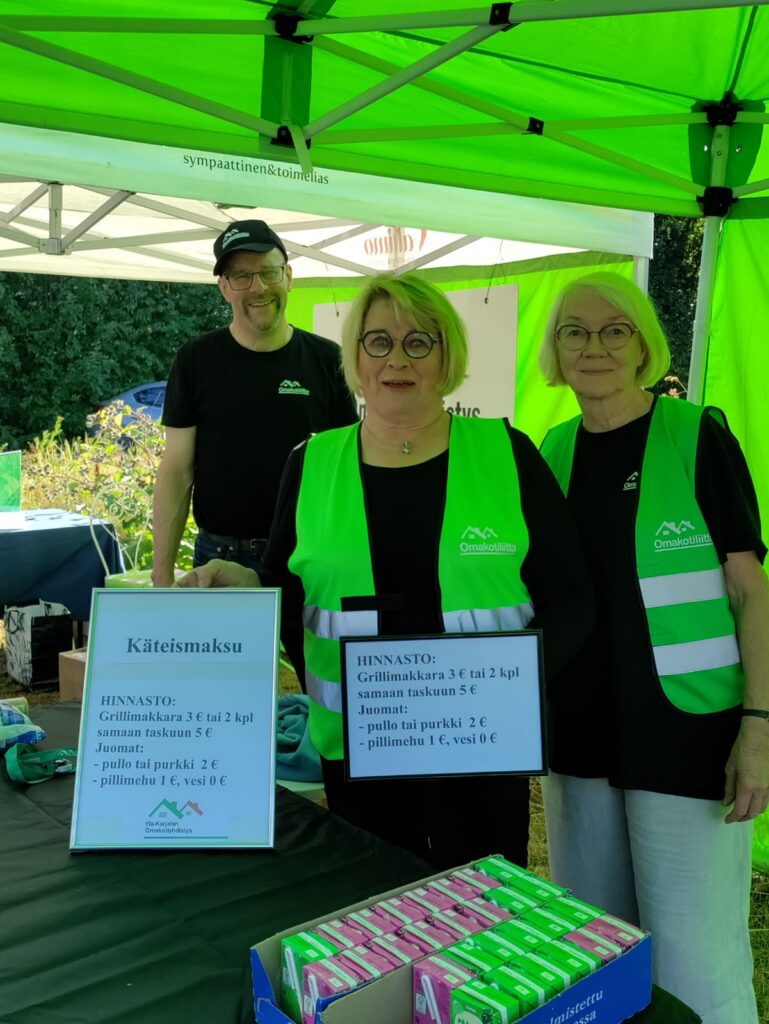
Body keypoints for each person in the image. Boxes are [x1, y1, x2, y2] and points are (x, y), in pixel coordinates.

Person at [179, 272, 593, 871]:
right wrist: (247, 586)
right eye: (379, 341)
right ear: (356, 356)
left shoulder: (507, 452)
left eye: (418, 341)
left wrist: (510, 688)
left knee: (479, 911)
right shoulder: (311, 462)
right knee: (374, 908)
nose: (397, 358)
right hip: (358, 753)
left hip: (480, 751)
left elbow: (571, 596)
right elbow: (290, 596)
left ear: (447, 355)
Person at [537, 270, 769, 1024]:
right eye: (574, 331)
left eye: (615, 330)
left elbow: (751, 592)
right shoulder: (552, 450)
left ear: (643, 345)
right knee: (592, 945)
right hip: (580, 738)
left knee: (693, 957)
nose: (594, 346)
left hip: (684, 735)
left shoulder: (695, 435)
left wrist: (759, 728)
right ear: (554, 349)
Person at [151, 219, 358, 588]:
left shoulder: (328, 360)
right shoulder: (195, 360)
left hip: (307, 553)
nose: (258, 287)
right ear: (224, 288)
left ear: (288, 276)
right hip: (220, 557)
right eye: (241, 277)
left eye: (268, 272)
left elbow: (348, 468)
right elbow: (176, 471)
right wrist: (161, 575)